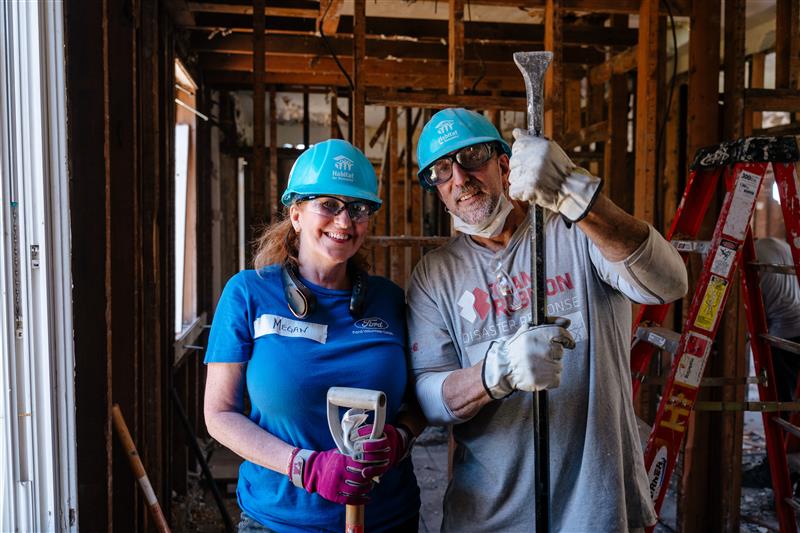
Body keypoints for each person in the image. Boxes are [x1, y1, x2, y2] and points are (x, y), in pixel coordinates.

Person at [406, 108, 688, 531]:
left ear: (505, 165)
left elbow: (669, 282)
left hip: (594, 509)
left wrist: (578, 196)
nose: (460, 179)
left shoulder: (577, 232)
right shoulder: (435, 275)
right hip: (486, 515)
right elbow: (429, 396)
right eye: (442, 171)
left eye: (472, 158)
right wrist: (495, 373)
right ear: (438, 191)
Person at [204, 139, 422, 532]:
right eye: (329, 205)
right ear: (296, 213)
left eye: (358, 208)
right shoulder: (248, 294)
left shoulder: (390, 301)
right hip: (280, 521)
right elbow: (218, 414)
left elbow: (419, 399)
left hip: (387, 518)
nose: (344, 221)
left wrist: (400, 439)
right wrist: (303, 466)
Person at [742, 236, 800, 488]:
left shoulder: (750, 263)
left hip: (784, 334)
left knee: (780, 404)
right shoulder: (778, 245)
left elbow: (754, 316)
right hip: (796, 323)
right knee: (791, 405)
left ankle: (776, 471)